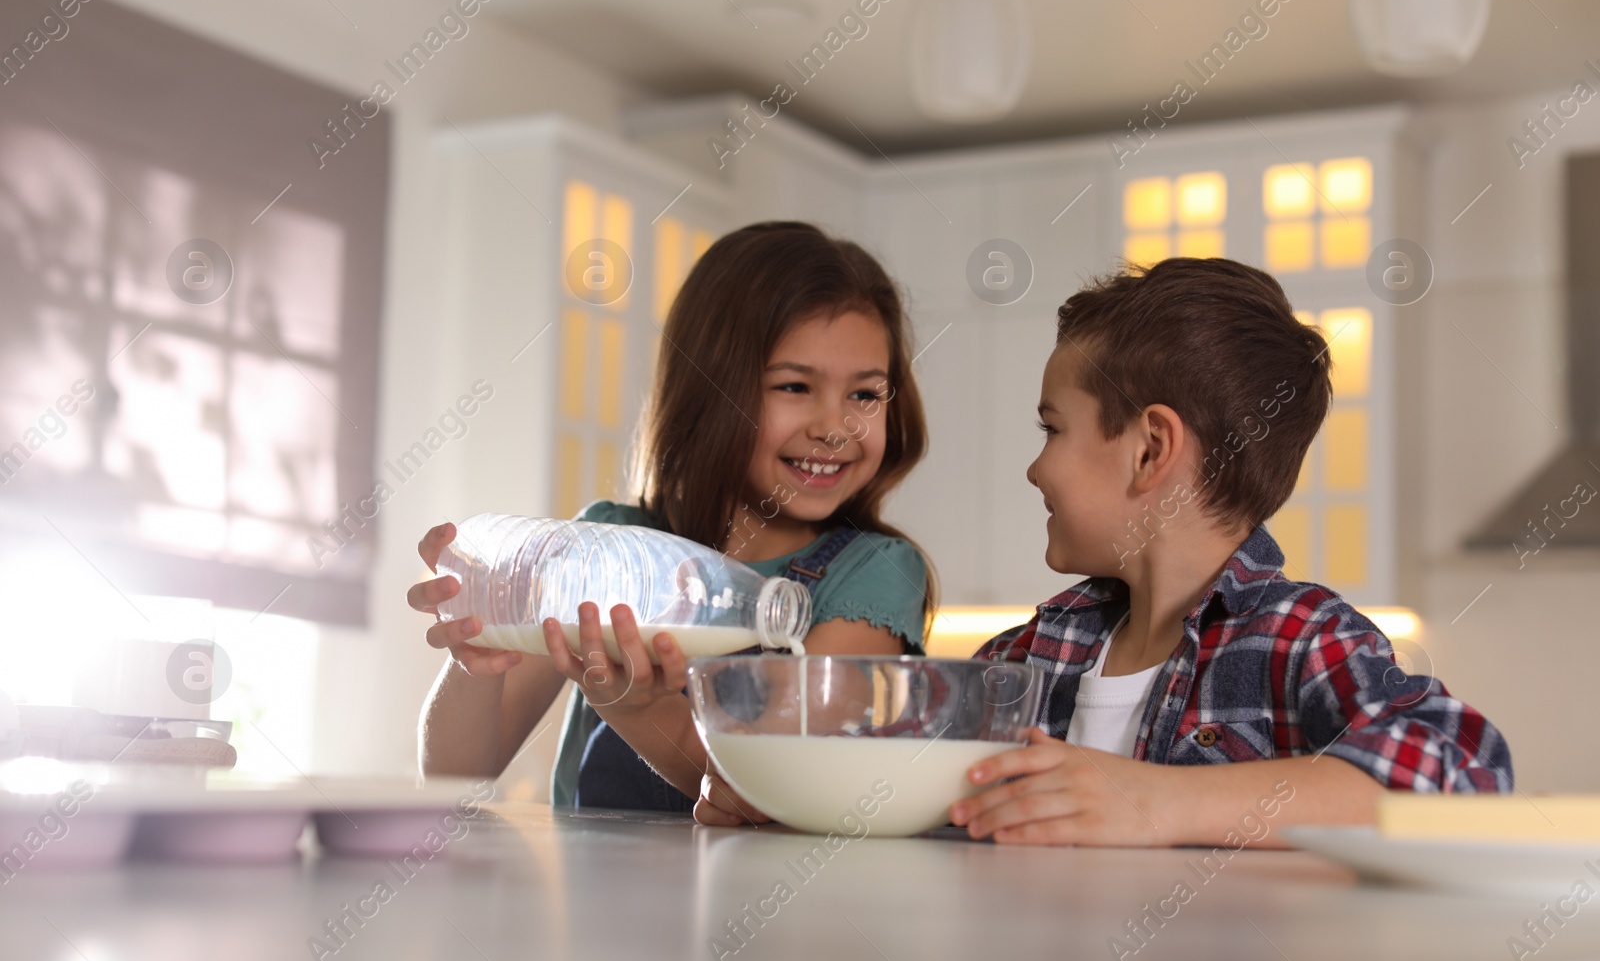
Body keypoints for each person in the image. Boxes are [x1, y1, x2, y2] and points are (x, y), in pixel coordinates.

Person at [942, 257, 1512, 846]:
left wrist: (1156, 801)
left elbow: (1461, 776)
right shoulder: (1019, 656)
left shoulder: (1300, 640)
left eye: (1052, 430)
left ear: (1149, 451)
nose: (1035, 469)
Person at [412, 221, 934, 818]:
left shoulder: (872, 574)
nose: (834, 426)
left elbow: (781, 787)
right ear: (709, 391)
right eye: (794, 386)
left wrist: (638, 709)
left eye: (865, 395)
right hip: (592, 905)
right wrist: (477, 656)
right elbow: (452, 780)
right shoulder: (604, 544)